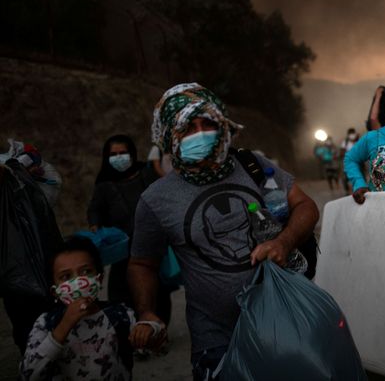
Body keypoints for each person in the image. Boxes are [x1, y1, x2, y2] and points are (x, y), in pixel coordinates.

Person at [127, 83, 319, 379]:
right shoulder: (155, 200)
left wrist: (284, 241)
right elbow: (142, 263)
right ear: (168, 135)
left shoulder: (253, 165)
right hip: (217, 341)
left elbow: (305, 206)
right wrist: (147, 312)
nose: (201, 133)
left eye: (209, 123)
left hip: (285, 319)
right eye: (189, 127)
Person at [20, 235, 161, 381]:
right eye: (66, 276)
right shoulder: (46, 324)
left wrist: (151, 329)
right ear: (55, 291)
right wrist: (64, 326)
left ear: (99, 279)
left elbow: (154, 343)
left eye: (86, 272)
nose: (78, 282)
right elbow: (29, 375)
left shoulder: (120, 315)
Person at [86, 135, 173, 326]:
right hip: (122, 247)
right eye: (114, 154)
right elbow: (95, 208)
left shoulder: (147, 174)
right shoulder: (104, 184)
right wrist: (95, 223)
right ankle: (130, 330)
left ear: (132, 154)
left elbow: (163, 199)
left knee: (157, 288)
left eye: (123, 153)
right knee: (120, 290)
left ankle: (159, 329)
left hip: (151, 243)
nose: (119, 157)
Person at [1, 150, 63, 355]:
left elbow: (51, 184)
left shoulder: (23, 182)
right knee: (27, 328)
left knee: (54, 319)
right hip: (16, 276)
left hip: (43, 262)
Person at [340, 128, 360, 193]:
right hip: (348, 164)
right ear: (348, 135)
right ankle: (347, 191)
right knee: (346, 179)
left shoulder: (359, 141)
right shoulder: (345, 143)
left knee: (359, 177)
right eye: (350, 134)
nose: (352, 135)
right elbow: (341, 153)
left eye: (353, 133)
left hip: (358, 163)